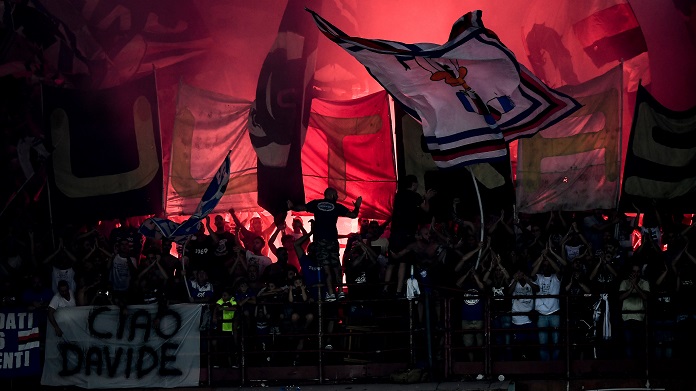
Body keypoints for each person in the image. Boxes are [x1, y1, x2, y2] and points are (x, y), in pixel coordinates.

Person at [287, 187, 361, 301]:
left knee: (326, 267)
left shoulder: (317, 204)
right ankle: (340, 291)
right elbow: (353, 215)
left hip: (320, 241)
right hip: (331, 240)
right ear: (331, 195)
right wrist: (357, 206)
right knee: (336, 267)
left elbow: (302, 207)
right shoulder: (337, 206)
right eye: (336, 195)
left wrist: (292, 207)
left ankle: (331, 293)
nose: (337, 197)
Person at [385, 175, 436, 296]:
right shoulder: (414, 196)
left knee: (391, 262)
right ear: (413, 184)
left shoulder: (398, 195)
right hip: (406, 232)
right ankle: (398, 290)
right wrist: (427, 198)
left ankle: (385, 288)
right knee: (403, 262)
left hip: (395, 231)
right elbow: (426, 209)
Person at [619, 263, 650, 359]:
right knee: (628, 344)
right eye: (634, 271)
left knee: (640, 345)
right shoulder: (624, 283)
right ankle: (629, 367)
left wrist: (635, 285)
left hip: (640, 318)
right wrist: (631, 287)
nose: (635, 274)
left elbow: (645, 297)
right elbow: (621, 297)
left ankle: (639, 369)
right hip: (626, 317)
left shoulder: (644, 283)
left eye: (637, 272)